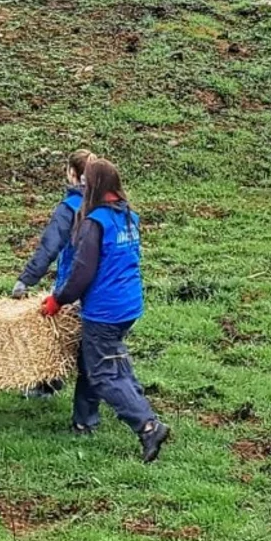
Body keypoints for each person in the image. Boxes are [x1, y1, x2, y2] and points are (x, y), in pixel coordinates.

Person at [37, 156, 172, 461]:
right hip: (129, 303)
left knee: (101, 374)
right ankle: (90, 419)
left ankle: (148, 426)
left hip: (105, 309)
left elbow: (82, 273)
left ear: (94, 185)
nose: (81, 187)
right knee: (112, 360)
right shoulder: (127, 216)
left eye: (85, 183)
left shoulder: (94, 223)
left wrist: (57, 300)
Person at [9, 148, 97, 398]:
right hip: (104, 284)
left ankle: (47, 385)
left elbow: (49, 246)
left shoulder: (69, 207)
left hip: (72, 281)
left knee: (55, 331)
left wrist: (26, 279)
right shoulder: (106, 204)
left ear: (72, 173)